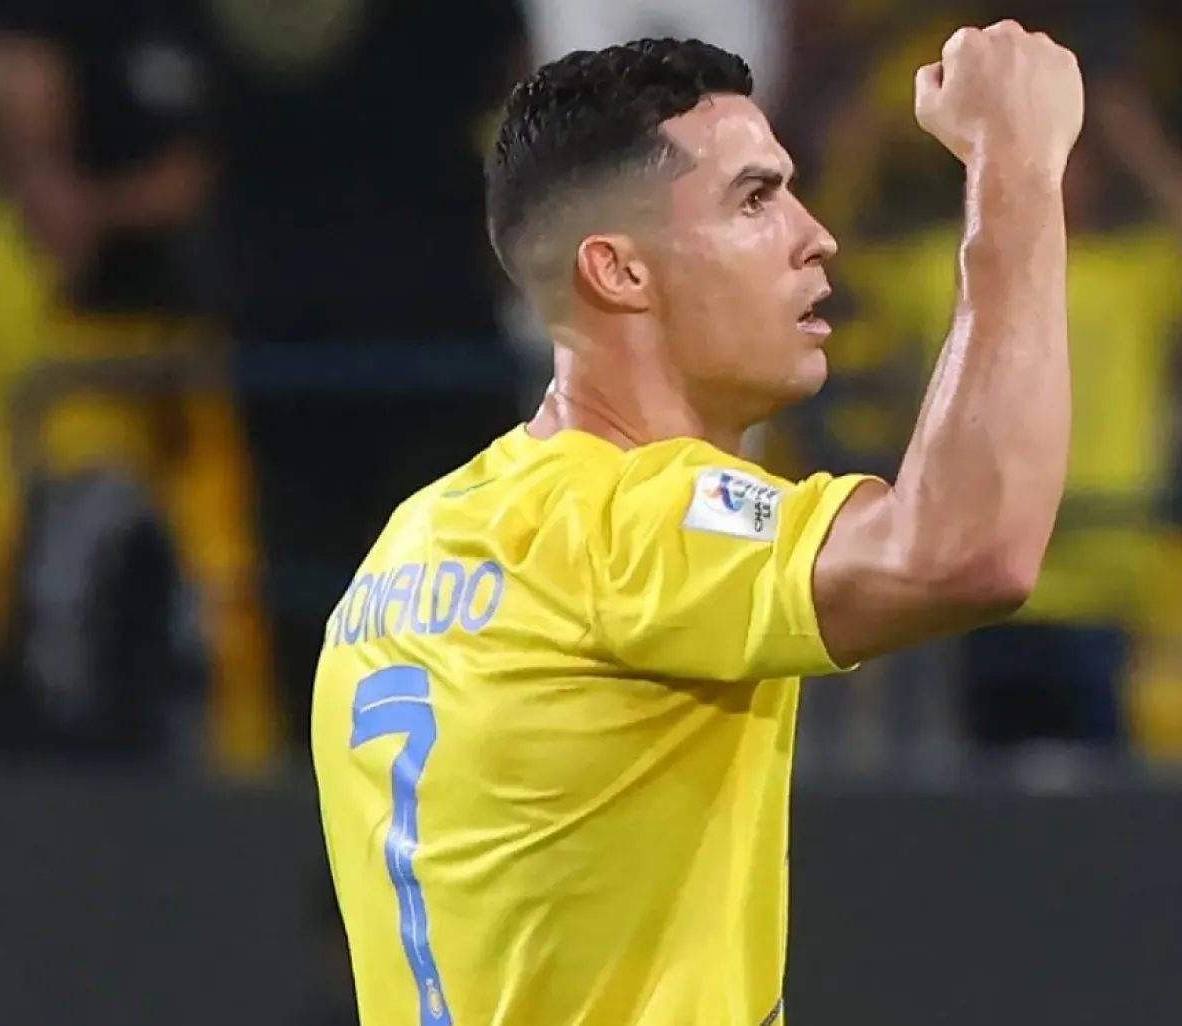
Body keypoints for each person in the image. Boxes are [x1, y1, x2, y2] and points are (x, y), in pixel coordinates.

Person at [312, 26, 1081, 1026]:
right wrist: (1017, 162)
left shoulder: (410, 547)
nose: (817, 235)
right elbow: (963, 549)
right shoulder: (626, 523)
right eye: (756, 199)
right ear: (620, 272)